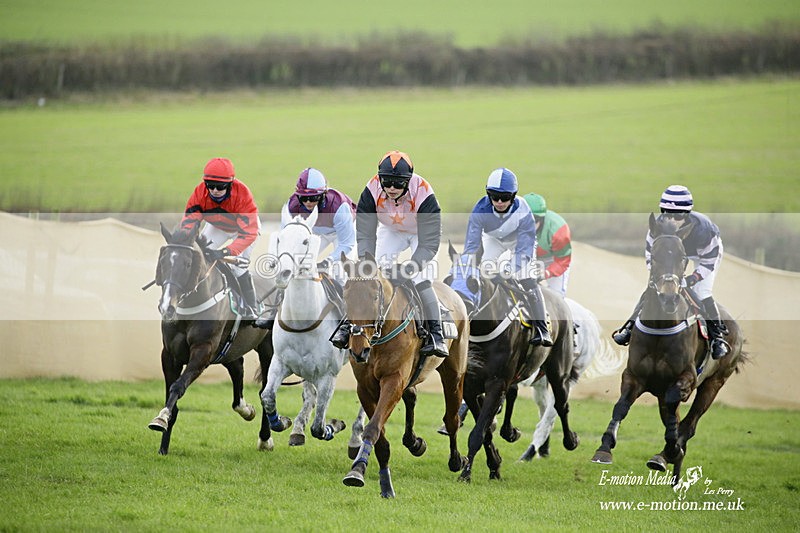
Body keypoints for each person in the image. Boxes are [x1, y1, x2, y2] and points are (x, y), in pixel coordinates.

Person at [330, 150, 448, 358]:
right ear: (380, 178)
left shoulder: (424, 192)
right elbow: (365, 233)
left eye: (399, 184)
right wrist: (367, 263)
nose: (392, 188)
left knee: (421, 278)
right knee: (363, 277)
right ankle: (347, 327)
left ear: (408, 181)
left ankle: (436, 335)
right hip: (391, 230)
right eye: (387, 183)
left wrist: (410, 268)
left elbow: (429, 244)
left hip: (421, 235)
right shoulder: (372, 188)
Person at [612, 185, 729, 358]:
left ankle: (717, 337)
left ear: (687, 214)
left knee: (701, 291)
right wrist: (661, 279)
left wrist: (690, 280)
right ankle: (629, 327)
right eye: (667, 213)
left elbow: (708, 263)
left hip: (702, 255)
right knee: (652, 288)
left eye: (678, 215)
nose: (672, 220)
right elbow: (651, 256)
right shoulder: (656, 228)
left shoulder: (705, 231)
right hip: (672, 254)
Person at [254, 167, 357, 329]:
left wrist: (328, 260)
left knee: (340, 274)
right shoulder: (291, 206)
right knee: (292, 268)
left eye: (313, 197)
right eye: (304, 198)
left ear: (323, 194)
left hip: (341, 235)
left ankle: (346, 324)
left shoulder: (339, 207)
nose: (308, 203)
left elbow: (347, 244)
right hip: (314, 232)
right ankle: (274, 312)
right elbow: (286, 238)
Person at [462, 168, 553, 346]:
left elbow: (524, 250)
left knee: (526, 278)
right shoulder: (480, 209)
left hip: (519, 242)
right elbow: (471, 245)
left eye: (505, 197)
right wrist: (467, 265)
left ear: (513, 196)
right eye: (494, 196)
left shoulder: (524, 209)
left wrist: (509, 269)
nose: (499, 202)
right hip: (494, 239)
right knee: (483, 272)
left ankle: (542, 328)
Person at [179, 157, 261, 319]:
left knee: (238, 268)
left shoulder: (242, 194)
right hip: (218, 227)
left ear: (230, 185)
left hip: (244, 231)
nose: (215, 190)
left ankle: (252, 307)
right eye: (210, 186)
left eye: (220, 186)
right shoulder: (200, 192)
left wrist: (224, 251)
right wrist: (184, 241)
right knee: (197, 255)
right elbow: (189, 221)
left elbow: (248, 234)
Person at [523, 193, 572, 297]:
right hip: (527, 257)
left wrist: (546, 273)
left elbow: (562, 261)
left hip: (553, 260)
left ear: (541, 219)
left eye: (533, 220)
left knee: (556, 296)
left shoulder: (558, 230)